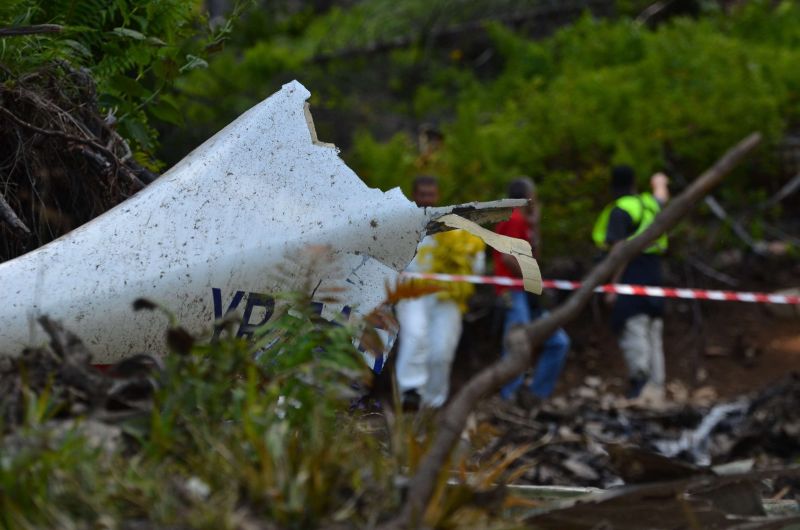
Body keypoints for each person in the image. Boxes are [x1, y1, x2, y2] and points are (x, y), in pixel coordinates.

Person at [395, 175, 485, 408]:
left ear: (438, 195)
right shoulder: (401, 222)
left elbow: (477, 262)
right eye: (422, 195)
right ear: (414, 195)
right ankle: (410, 393)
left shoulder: (452, 224)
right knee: (415, 337)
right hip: (413, 291)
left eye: (430, 194)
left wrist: (466, 265)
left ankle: (433, 402)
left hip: (447, 295)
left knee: (441, 349)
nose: (427, 199)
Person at [592, 165, 670, 399]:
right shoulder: (647, 204)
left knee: (634, 327)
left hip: (632, 276)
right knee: (653, 329)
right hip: (655, 275)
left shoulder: (620, 210)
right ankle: (657, 387)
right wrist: (660, 181)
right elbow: (662, 197)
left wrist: (614, 286)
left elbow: (620, 252)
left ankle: (641, 384)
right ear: (635, 183)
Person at [494, 177, 570, 402]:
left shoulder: (524, 222)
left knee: (558, 342)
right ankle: (509, 396)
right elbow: (508, 258)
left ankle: (537, 395)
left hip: (525, 293)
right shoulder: (514, 218)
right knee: (517, 344)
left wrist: (535, 226)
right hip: (513, 291)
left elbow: (534, 257)